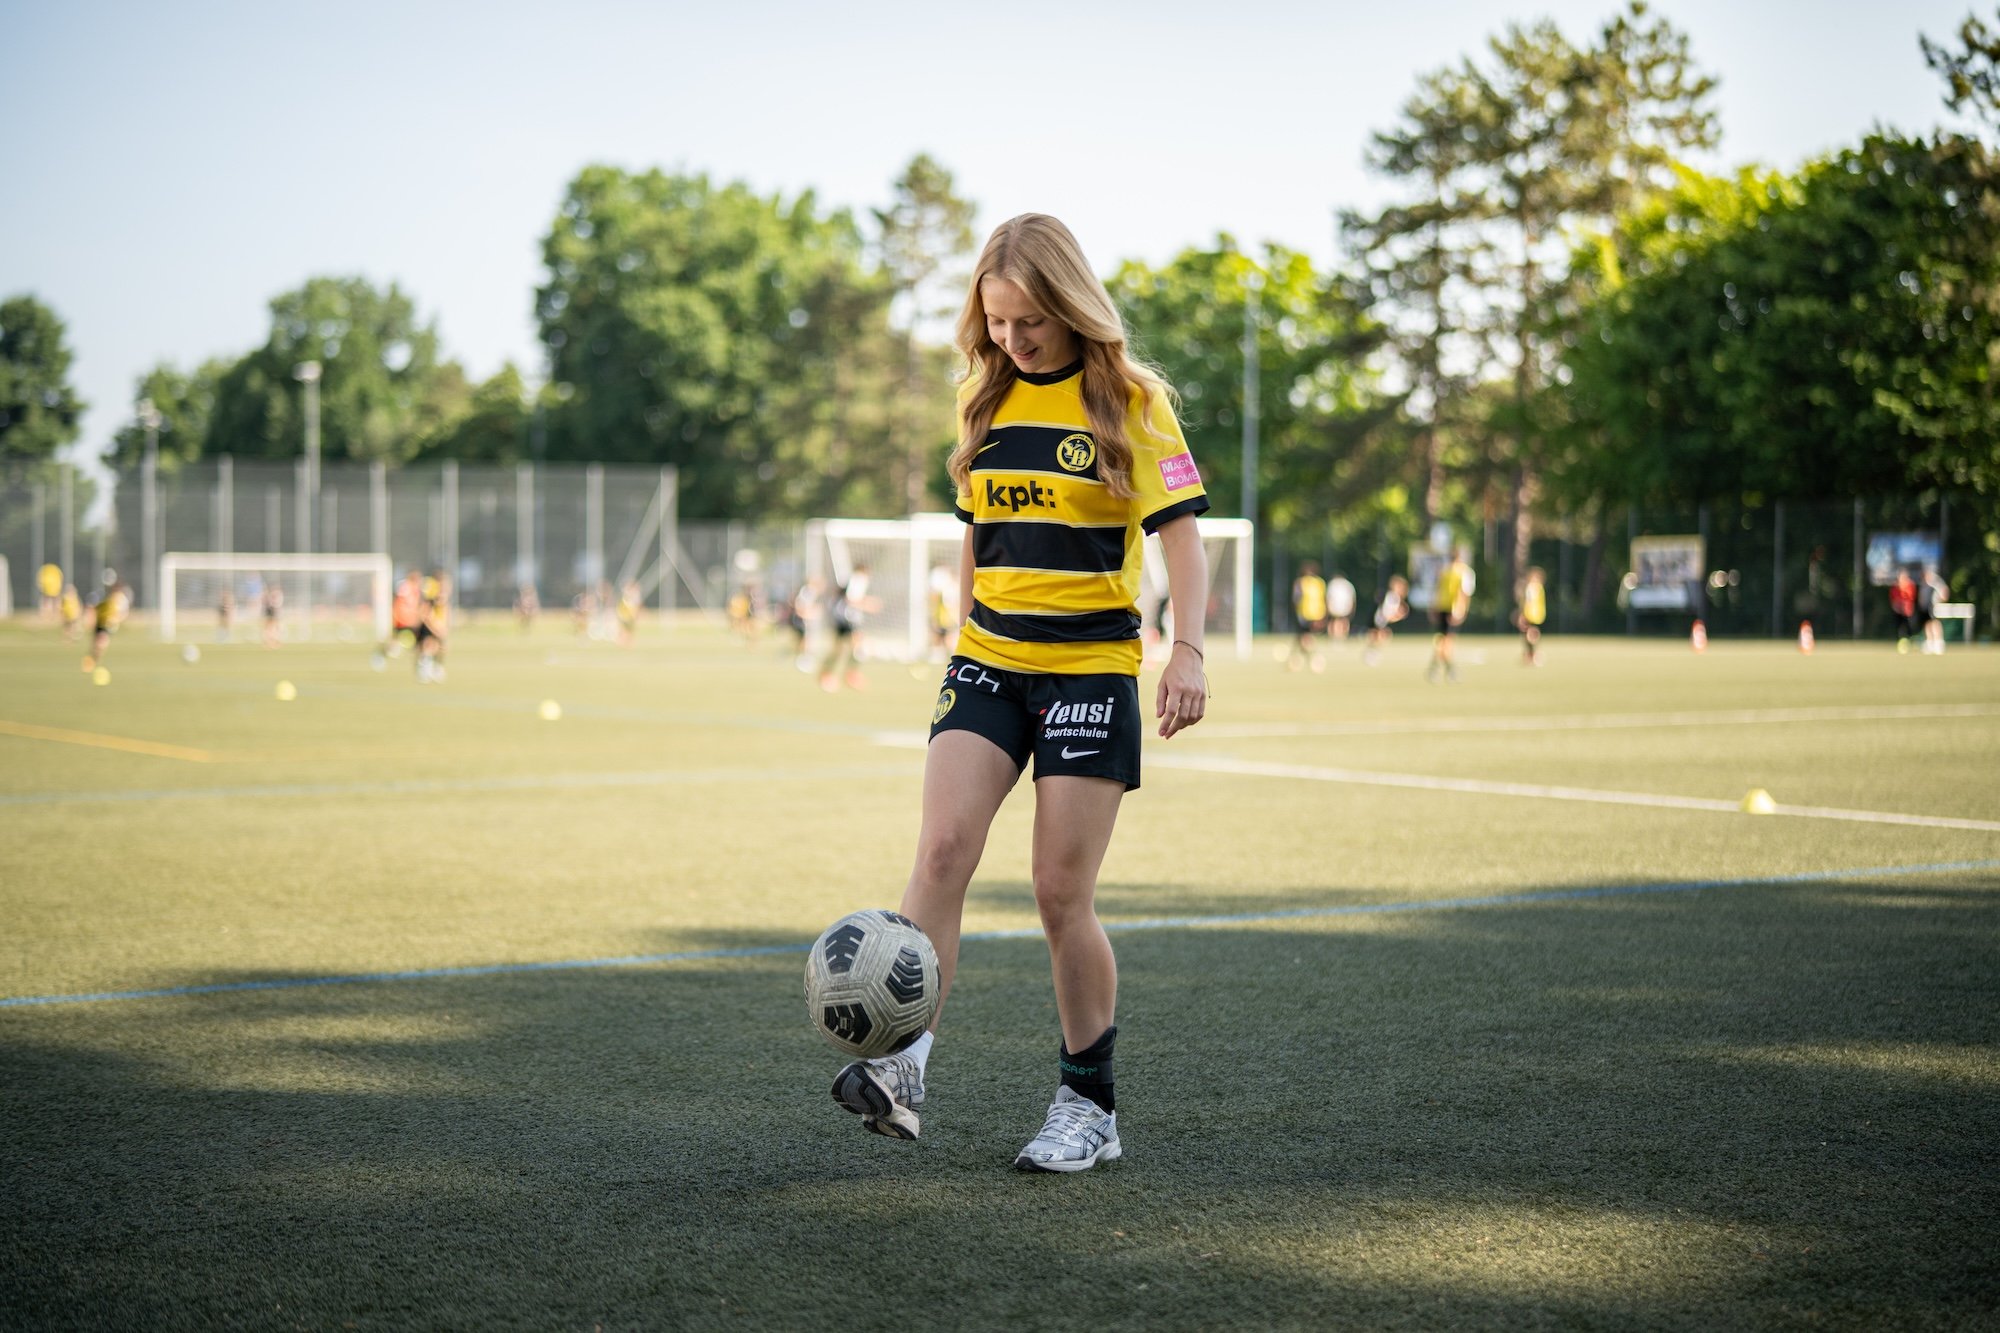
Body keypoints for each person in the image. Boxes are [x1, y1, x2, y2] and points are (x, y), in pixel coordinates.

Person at [826, 213, 1210, 1173]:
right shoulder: (981, 400)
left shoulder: (1132, 398)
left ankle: (1091, 1105)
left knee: (1057, 893)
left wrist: (1189, 649)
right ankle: (907, 1065)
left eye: (1029, 321)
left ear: (1072, 304)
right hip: (989, 661)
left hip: (1090, 669)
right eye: (996, 321)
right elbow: (975, 530)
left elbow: (1182, 539)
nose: (1012, 339)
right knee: (944, 847)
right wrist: (961, 638)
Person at [1426, 547, 1473, 683]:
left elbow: (1436, 590)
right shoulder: (1464, 572)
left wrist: (1432, 608)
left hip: (1441, 607)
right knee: (1447, 641)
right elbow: (1463, 593)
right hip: (1453, 609)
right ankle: (1442, 669)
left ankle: (1443, 669)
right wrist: (1461, 610)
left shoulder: (1443, 571)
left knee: (1442, 639)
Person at [1287, 561, 1328, 672]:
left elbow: (1296, 599)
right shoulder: (1320, 582)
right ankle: (1299, 659)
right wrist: (1324, 615)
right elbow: (1324, 599)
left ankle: (1310, 659)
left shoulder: (1300, 582)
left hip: (1304, 614)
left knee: (1305, 637)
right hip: (1318, 614)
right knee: (1304, 637)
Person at [83, 578, 130, 672]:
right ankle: (93, 660)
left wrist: (116, 619)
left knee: (101, 641)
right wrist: (91, 619)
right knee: (95, 644)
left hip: (109, 624)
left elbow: (124, 613)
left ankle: (93, 661)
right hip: (99, 621)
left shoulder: (121, 600)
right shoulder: (103, 595)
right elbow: (92, 607)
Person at [1362, 575, 1408, 666]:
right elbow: (1387, 613)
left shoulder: (1394, 597)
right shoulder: (1392, 597)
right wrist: (1398, 616)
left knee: (1378, 638)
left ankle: (1371, 653)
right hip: (1380, 619)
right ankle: (1372, 654)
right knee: (1382, 636)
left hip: (1381, 619)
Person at [1517, 565, 1548, 666]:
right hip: (1534, 615)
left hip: (1531, 615)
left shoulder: (1532, 587)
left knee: (1530, 635)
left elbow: (1528, 602)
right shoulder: (1537, 587)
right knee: (1530, 635)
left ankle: (1533, 655)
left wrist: (1522, 615)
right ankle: (1531, 655)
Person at [1919, 565, 1948, 656]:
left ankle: (1939, 642)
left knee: (1935, 623)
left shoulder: (1935, 583)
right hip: (1925, 607)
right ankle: (1930, 642)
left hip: (1933, 606)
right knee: (1927, 623)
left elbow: (1944, 592)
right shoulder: (1923, 584)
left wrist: (1939, 602)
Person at [1889, 568, 1919, 653]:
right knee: (1899, 627)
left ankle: (1911, 643)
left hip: (1907, 611)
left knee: (1909, 628)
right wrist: (1896, 606)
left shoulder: (1910, 585)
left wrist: (1906, 606)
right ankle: (1901, 643)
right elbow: (1893, 599)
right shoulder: (1895, 586)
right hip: (1898, 611)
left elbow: (1911, 598)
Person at [1326, 570, 1356, 642]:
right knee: (1343, 621)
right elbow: (1352, 597)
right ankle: (1342, 635)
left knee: (1335, 621)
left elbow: (1328, 597)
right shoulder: (1348, 585)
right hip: (1345, 606)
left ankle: (1335, 636)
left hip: (1334, 606)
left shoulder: (1332, 584)